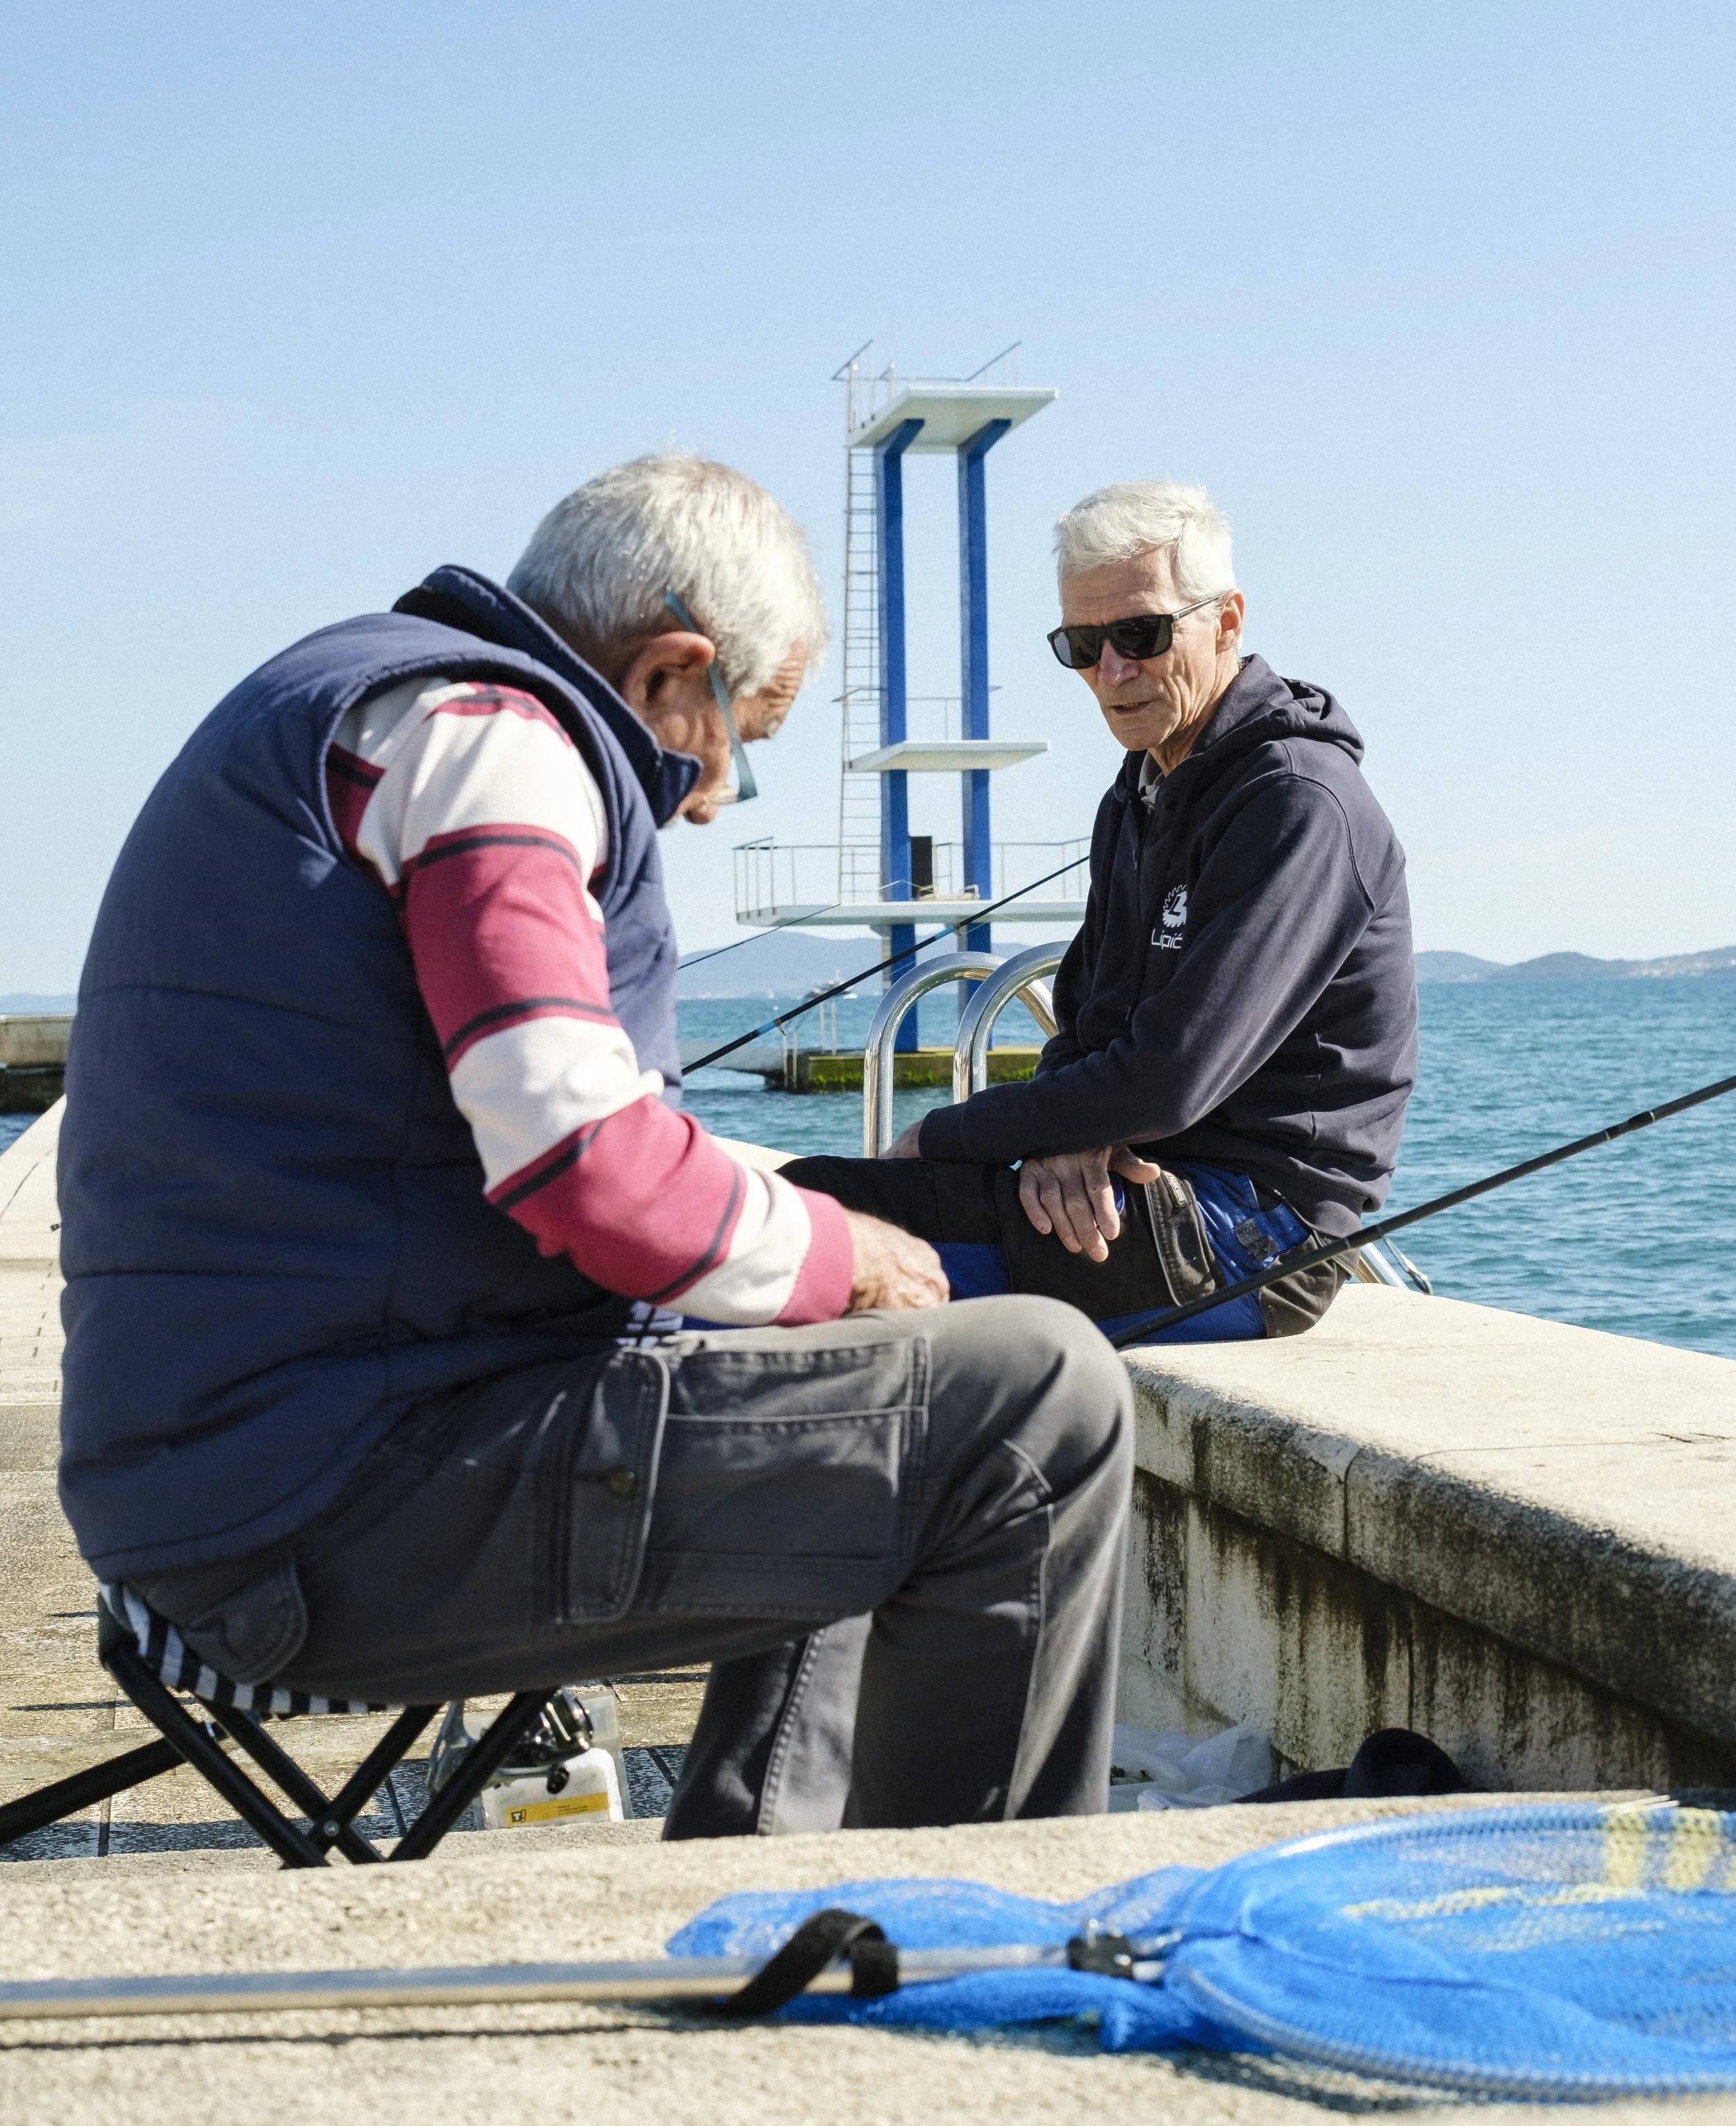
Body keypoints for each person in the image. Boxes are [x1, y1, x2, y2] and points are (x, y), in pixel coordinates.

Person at [57, 453, 1133, 1839]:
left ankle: (764, 1897)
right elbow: (578, 1156)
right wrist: (835, 1249)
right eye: (743, 736)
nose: (703, 798)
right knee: (1038, 1399)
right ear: (671, 673)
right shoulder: (493, 746)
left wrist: (802, 1256)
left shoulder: (364, 709)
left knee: (862, 1399)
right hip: (316, 1514)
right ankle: (970, 1944)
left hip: (223, 1469)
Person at [780, 478, 1419, 1344]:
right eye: (1082, 644)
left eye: (1140, 635)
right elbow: (1086, 1024)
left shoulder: (1298, 804)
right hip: (1145, 1176)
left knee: (802, 1239)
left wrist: (941, 1134)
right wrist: (1062, 1140)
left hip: (1249, 1237)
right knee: (794, 1213)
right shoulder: (1139, 792)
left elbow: (1170, 1074)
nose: (1111, 672)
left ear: (1226, 621)